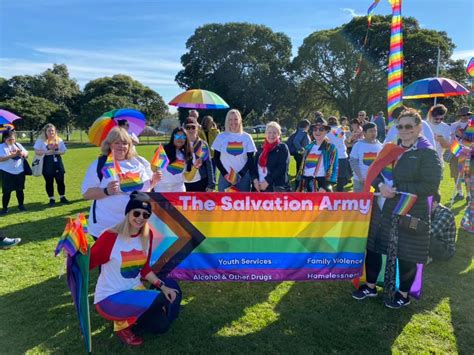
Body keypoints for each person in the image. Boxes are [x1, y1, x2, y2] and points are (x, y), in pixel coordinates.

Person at [352, 108, 442, 308]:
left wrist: (397, 189)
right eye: (400, 126)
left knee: (406, 253)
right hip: (382, 208)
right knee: (374, 247)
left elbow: (430, 185)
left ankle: (403, 294)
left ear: (418, 128)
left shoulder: (426, 153)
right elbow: (374, 173)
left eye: (409, 126)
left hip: (409, 210)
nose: (404, 130)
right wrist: (381, 185)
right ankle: (370, 286)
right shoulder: (390, 149)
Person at [90, 192, 181, 346]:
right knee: (160, 299)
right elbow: (87, 263)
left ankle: (138, 315)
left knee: (162, 323)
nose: (140, 218)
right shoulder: (110, 236)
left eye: (145, 215)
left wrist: (163, 287)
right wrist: (75, 255)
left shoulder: (147, 235)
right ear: (128, 213)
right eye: (136, 213)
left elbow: (145, 269)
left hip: (135, 290)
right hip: (111, 297)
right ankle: (122, 327)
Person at [82, 127, 162, 240]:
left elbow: (146, 191)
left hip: (136, 225)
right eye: (117, 143)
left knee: (133, 257)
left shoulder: (140, 162)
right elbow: (86, 194)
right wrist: (106, 191)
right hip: (107, 227)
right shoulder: (99, 164)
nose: (121, 146)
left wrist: (153, 183)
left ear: (129, 145)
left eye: (125, 143)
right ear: (110, 145)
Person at [212, 109, 256, 191]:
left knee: (243, 203)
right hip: (225, 177)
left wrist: (240, 175)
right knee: (223, 203)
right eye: (230, 119)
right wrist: (225, 174)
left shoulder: (247, 137)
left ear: (240, 120)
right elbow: (216, 158)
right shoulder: (221, 137)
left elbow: (250, 159)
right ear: (227, 121)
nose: (233, 122)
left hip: (243, 178)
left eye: (236, 119)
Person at [296, 117, 338, 192]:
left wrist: (325, 186)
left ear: (326, 131)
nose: (317, 131)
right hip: (305, 183)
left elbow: (335, 168)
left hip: (321, 184)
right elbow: (303, 168)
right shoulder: (308, 147)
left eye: (321, 129)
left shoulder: (331, 148)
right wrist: (299, 185)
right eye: (315, 129)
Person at [34, 123, 68, 206]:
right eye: (49, 131)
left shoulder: (59, 140)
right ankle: (51, 199)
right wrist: (47, 152)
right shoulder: (41, 140)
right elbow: (36, 151)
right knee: (49, 181)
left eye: (52, 130)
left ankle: (62, 197)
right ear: (45, 132)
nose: (51, 132)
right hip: (47, 162)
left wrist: (55, 151)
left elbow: (63, 151)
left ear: (55, 131)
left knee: (60, 180)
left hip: (57, 161)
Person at [251, 121, 290, 192]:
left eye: (274, 133)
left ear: (279, 134)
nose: (271, 135)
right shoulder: (260, 149)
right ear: (265, 134)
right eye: (269, 132)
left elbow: (282, 168)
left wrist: (267, 181)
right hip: (259, 187)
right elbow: (253, 167)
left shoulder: (282, 148)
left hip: (275, 188)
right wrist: (255, 180)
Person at [183, 117, 215, 192]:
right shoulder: (181, 144)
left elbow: (209, 165)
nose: (191, 130)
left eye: (193, 127)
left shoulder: (202, 144)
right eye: (188, 127)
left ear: (197, 128)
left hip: (201, 181)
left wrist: (211, 184)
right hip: (183, 183)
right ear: (184, 129)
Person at [0, 129, 28, 214]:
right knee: (6, 192)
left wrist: (22, 154)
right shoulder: (1, 146)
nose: (11, 140)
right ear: (4, 139)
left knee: (20, 190)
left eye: (13, 139)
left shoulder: (18, 145)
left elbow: (26, 154)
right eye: (9, 139)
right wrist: (12, 155)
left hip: (19, 171)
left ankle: (21, 206)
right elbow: (1, 159)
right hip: (6, 172)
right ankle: (5, 208)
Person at [349, 122, 383, 192]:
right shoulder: (358, 145)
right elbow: (353, 162)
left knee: (374, 202)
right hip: (360, 181)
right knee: (360, 202)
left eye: (375, 131)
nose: (373, 133)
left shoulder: (381, 146)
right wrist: (360, 177)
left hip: (376, 181)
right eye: (371, 131)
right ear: (364, 133)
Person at [153, 127, 189, 192]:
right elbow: (154, 168)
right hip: (162, 187)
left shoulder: (186, 153)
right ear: (173, 137)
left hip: (179, 187)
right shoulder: (164, 150)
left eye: (183, 137)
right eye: (178, 136)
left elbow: (186, 174)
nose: (180, 139)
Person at [449, 106, 471, 200]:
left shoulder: (472, 125)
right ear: (460, 115)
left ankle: (469, 195)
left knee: (467, 174)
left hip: (468, 152)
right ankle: (459, 193)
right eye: (463, 115)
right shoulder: (453, 125)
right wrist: (455, 136)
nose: (465, 116)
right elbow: (450, 139)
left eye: (467, 114)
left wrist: (461, 135)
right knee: (455, 173)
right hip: (456, 150)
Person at [429, 193, 456, 261]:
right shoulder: (429, 211)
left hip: (445, 249)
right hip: (435, 242)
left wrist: (415, 225)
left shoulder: (446, 213)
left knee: (423, 236)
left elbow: (432, 231)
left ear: (434, 203)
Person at [327, 116, 350, 192]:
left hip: (331, 155)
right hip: (342, 155)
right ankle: (339, 192)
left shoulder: (326, 131)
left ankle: (329, 191)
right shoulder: (342, 129)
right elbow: (346, 140)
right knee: (341, 175)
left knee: (330, 175)